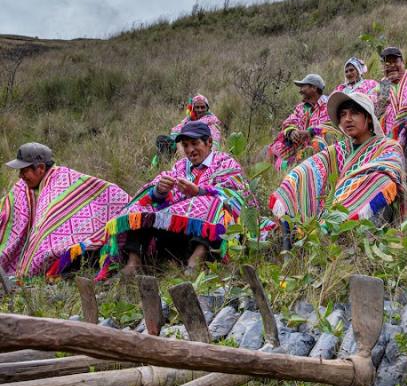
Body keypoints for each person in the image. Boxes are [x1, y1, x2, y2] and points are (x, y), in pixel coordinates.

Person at [98, 121, 255, 278]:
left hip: (211, 235)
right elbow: (155, 195)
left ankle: (196, 260)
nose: (190, 150)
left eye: (195, 143)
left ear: (209, 142)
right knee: (140, 207)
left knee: (213, 203)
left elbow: (236, 195)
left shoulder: (225, 162)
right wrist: (160, 191)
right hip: (178, 233)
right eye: (185, 145)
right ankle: (134, 263)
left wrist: (199, 191)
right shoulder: (180, 166)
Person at [267, 91, 407, 232]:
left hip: (373, 212)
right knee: (301, 173)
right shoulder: (340, 149)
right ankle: (298, 230)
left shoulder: (388, 146)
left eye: (354, 113)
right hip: (336, 209)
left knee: (380, 180)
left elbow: (390, 168)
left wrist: (355, 185)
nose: (347, 119)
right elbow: (315, 165)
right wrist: (296, 177)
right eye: (343, 115)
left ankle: (352, 230)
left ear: (369, 118)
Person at [0, 143, 130, 278]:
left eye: (24, 170)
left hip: (88, 246)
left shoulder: (61, 182)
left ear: (41, 168)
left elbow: (114, 196)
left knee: (71, 255)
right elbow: (8, 208)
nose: (20, 176)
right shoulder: (27, 185)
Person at [266, 74, 338, 171]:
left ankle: (300, 168)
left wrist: (310, 132)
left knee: (317, 144)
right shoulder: (301, 107)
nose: (300, 90)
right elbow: (289, 122)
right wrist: (292, 132)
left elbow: (332, 125)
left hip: (319, 144)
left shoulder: (329, 104)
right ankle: (284, 169)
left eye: (303, 86)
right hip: (299, 144)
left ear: (314, 88)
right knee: (276, 146)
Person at [154, 94, 224, 162]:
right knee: (161, 139)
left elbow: (214, 142)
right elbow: (177, 130)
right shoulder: (188, 119)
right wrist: (178, 143)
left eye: (202, 107)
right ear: (193, 108)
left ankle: (184, 161)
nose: (200, 110)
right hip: (182, 144)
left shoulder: (211, 121)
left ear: (207, 108)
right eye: (197, 107)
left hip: (195, 147)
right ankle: (166, 162)